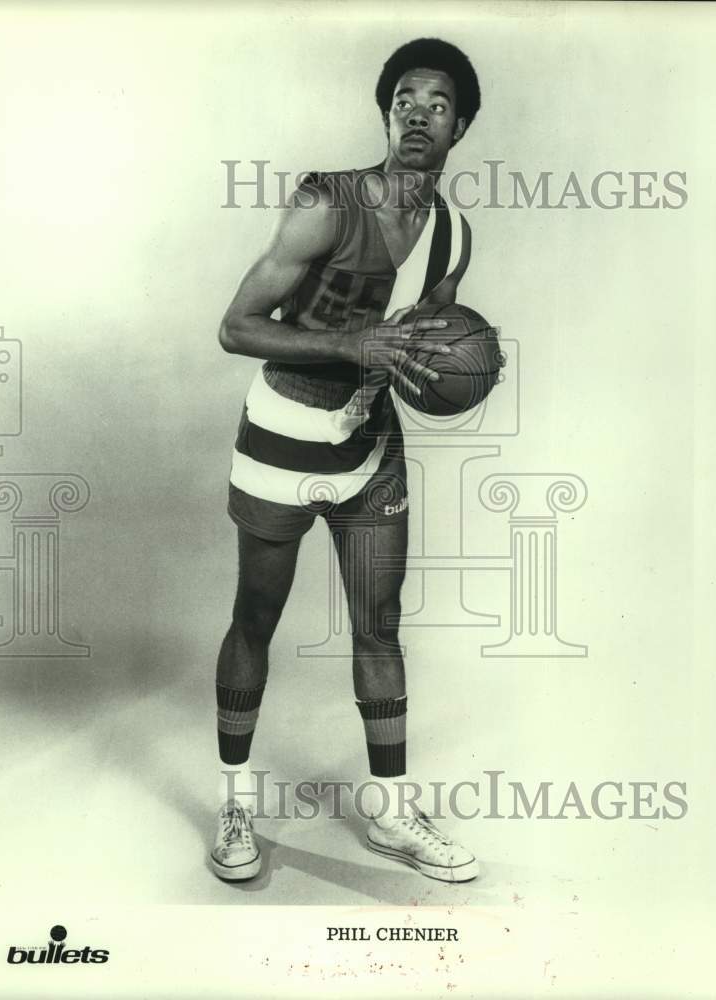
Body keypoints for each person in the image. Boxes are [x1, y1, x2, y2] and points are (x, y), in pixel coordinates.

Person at [212, 38, 481, 883]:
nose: (417, 113)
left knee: (381, 625)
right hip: (283, 434)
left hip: (371, 446)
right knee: (256, 619)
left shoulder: (453, 236)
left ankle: (392, 814)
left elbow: (411, 349)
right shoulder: (327, 201)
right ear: (385, 112)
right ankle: (236, 806)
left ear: (460, 127)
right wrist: (351, 340)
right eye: (405, 97)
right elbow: (236, 327)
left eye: (437, 103)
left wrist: (446, 370)